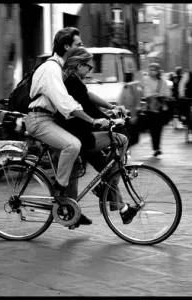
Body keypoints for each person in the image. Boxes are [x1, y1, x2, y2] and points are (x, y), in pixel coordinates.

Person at [59, 47, 138, 224]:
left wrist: (110, 109)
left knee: (106, 166)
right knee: (122, 140)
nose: (90, 71)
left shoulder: (73, 81)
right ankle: (104, 188)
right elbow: (88, 108)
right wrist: (107, 118)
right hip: (78, 134)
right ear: (79, 65)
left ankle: (121, 207)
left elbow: (88, 97)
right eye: (89, 67)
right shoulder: (72, 82)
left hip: (79, 132)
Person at [25, 27, 94, 226]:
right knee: (72, 145)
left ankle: (71, 211)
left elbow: (82, 95)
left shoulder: (62, 68)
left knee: (76, 161)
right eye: (79, 44)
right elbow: (65, 103)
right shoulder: (51, 69)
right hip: (40, 120)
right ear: (66, 46)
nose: (83, 47)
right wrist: (91, 120)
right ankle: (59, 191)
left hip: (50, 120)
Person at [142, 63, 171, 157]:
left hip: (160, 108)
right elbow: (145, 92)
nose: (152, 71)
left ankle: (157, 147)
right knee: (152, 129)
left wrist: (162, 96)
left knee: (158, 129)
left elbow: (167, 92)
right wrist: (153, 95)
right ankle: (155, 147)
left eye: (154, 69)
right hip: (150, 108)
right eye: (150, 69)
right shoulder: (146, 80)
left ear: (158, 70)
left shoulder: (163, 81)